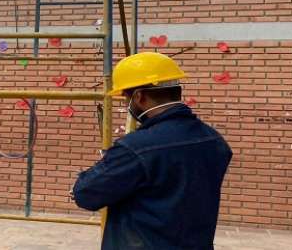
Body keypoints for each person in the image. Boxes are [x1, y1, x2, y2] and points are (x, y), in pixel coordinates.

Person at [72, 52, 232, 249]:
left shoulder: (136, 148)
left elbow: (86, 195)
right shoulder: (214, 139)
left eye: (126, 97)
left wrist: (110, 163)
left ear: (139, 96)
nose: (126, 103)